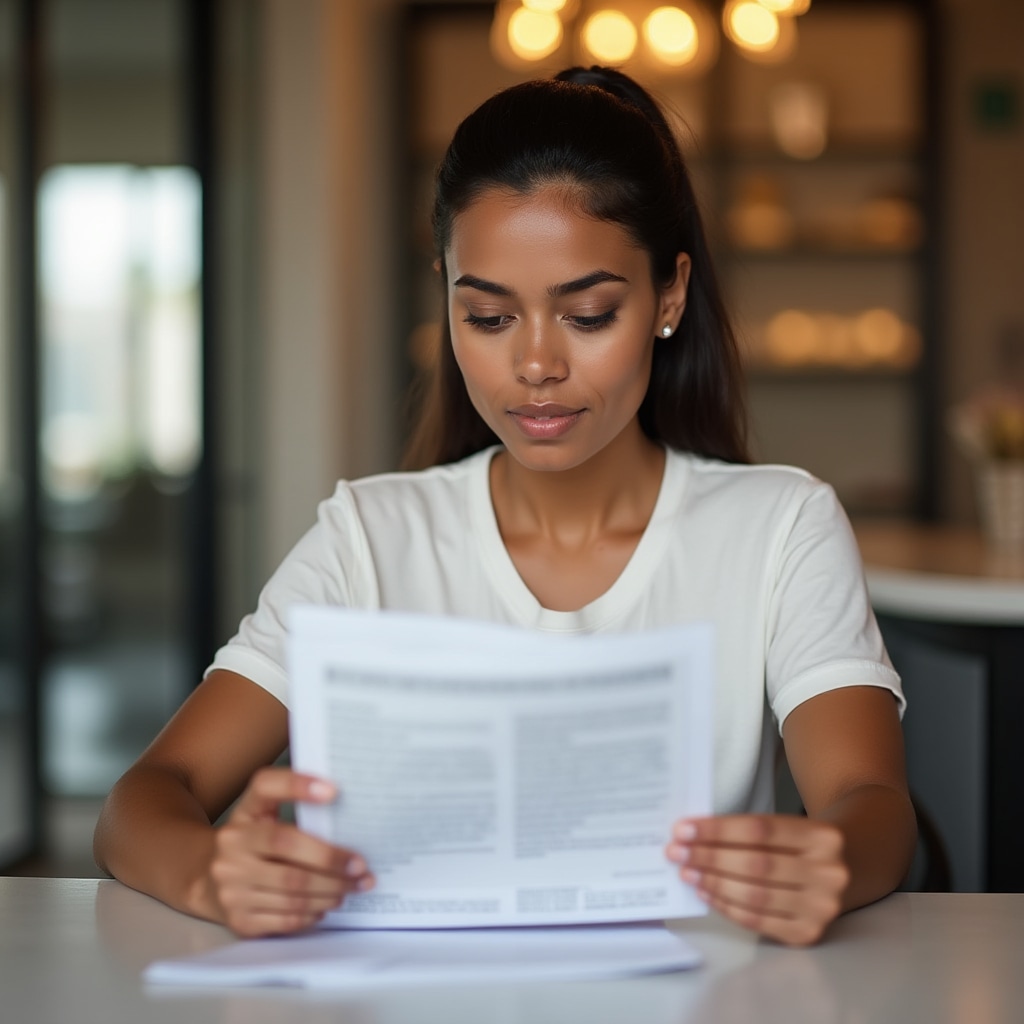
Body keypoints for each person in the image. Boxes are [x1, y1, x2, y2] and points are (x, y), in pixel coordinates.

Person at [94, 66, 916, 947]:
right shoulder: (371, 538)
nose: (534, 365)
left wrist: (828, 858)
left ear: (669, 296)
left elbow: (871, 804)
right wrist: (211, 874)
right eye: (487, 318)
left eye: (588, 314)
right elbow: (145, 800)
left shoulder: (779, 526)